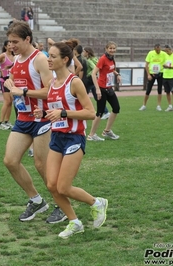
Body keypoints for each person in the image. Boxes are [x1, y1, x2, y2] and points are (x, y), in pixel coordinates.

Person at [33, 42, 108, 238]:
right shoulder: (50, 84)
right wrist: (44, 113)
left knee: (63, 186)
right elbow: (56, 110)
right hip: (57, 137)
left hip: (74, 137)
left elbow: (90, 113)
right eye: (48, 55)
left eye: (53, 56)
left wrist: (64, 113)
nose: (48, 59)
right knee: (51, 185)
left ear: (65, 60)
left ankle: (96, 202)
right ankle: (75, 222)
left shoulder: (75, 82)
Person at [3, 21, 67, 224]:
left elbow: (50, 91)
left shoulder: (39, 59)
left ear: (27, 39)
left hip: (42, 119)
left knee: (42, 165)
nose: (11, 46)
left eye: (15, 41)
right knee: (10, 161)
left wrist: (23, 91)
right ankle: (36, 200)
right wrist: (8, 82)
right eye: (9, 42)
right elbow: (12, 80)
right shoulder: (17, 59)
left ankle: (62, 206)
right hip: (23, 118)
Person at [87, 41, 121, 141]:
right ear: (106, 49)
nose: (112, 50)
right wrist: (97, 89)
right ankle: (91, 135)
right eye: (110, 48)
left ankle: (107, 131)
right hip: (101, 89)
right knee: (100, 113)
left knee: (116, 108)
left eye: (114, 48)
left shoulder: (111, 59)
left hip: (109, 88)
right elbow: (93, 74)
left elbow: (111, 69)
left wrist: (117, 74)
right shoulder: (103, 59)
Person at [83, 46, 110, 120]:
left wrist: (90, 74)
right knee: (97, 96)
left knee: (82, 95)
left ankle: (83, 111)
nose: (83, 53)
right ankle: (106, 112)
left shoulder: (88, 60)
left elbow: (94, 68)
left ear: (87, 52)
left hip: (89, 80)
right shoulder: (94, 58)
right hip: (94, 80)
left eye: (84, 51)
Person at [139, 44, 167, 111]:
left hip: (160, 73)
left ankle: (158, 105)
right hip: (152, 74)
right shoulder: (150, 53)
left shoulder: (163, 54)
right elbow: (146, 65)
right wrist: (148, 74)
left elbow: (167, 62)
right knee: (148, 90)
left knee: (159, 90)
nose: (158, 51)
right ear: (154, 49)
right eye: (156, 50)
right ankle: (144, 105)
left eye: (159, 50)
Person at [162, 44, 173, 112]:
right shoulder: (165, 55)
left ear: (170, 49)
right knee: (167, 92)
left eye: (167, 51)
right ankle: (170, 105)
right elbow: (163, 63)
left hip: (172, 76)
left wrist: (169, 67)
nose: (166, 52)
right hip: (165, 75)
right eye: (165, 51)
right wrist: (164, 65)